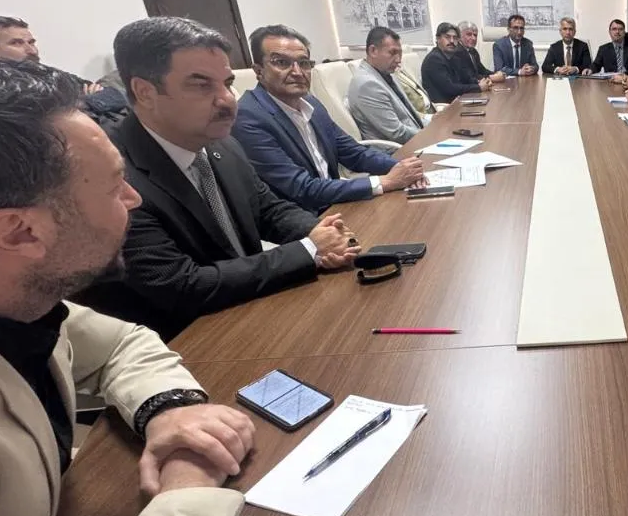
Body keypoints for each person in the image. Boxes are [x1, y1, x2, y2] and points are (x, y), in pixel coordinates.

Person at [0, 58, 255, 516]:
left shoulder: (14, 299)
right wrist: (188, 487)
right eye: (114, 185)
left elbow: (123, 344)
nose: (134, 198)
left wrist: (170, 410)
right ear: (17, 233)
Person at [72, 17, 358, 340]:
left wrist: (319, 232)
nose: (227, 99)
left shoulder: (221, 142)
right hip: (188, 343)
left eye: (227, 83)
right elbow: (182, 285)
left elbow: (268, 209)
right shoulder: (111, 176)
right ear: (145, 92)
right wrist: (308, 250)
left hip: (251, 311)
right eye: (202, 85)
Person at [232, 25, 424, 213]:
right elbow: (301, 188)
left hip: (335, 205)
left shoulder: (310, 103)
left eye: (304, 63)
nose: (297, 72)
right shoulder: (248, 118)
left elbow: (353, 152)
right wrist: (384, 181)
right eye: (282, 62)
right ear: (258, 70)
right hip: (304, 219)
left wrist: (401, 168)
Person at [347, 27, 424, 144]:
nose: (398, 60)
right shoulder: (367, 85)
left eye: (400, 53)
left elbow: (409, 116)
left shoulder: (386, 74)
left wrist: (434, 122)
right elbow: (396, 133)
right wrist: (431, 135)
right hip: (396, 150)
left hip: (414, 140)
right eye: (392, 53)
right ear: (373, 51)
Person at [422, 22, 491, 104]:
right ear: (438, 39)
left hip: (458, 101)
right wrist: (478, 87)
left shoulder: (453, 57)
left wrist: (482, 82)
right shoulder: (434, 59)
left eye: (455, 38)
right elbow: (450, 88)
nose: (452, 41)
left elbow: (466, 78)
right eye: (447, 37)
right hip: (444, 106)